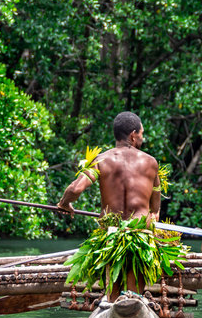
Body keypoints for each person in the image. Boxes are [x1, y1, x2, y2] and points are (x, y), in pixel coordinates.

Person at [57, 111, 162, 300]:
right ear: (133, 134)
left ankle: (113, 302)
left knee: (113, 295)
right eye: (141, 134)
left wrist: (64, 203)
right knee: (134, 292)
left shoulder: (101, 161)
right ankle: (134, 300)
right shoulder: (151, 163)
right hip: (141, 235)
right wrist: (153, 220)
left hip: (110, 234)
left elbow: (75, 189)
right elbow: (155, 209)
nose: (142, 138)